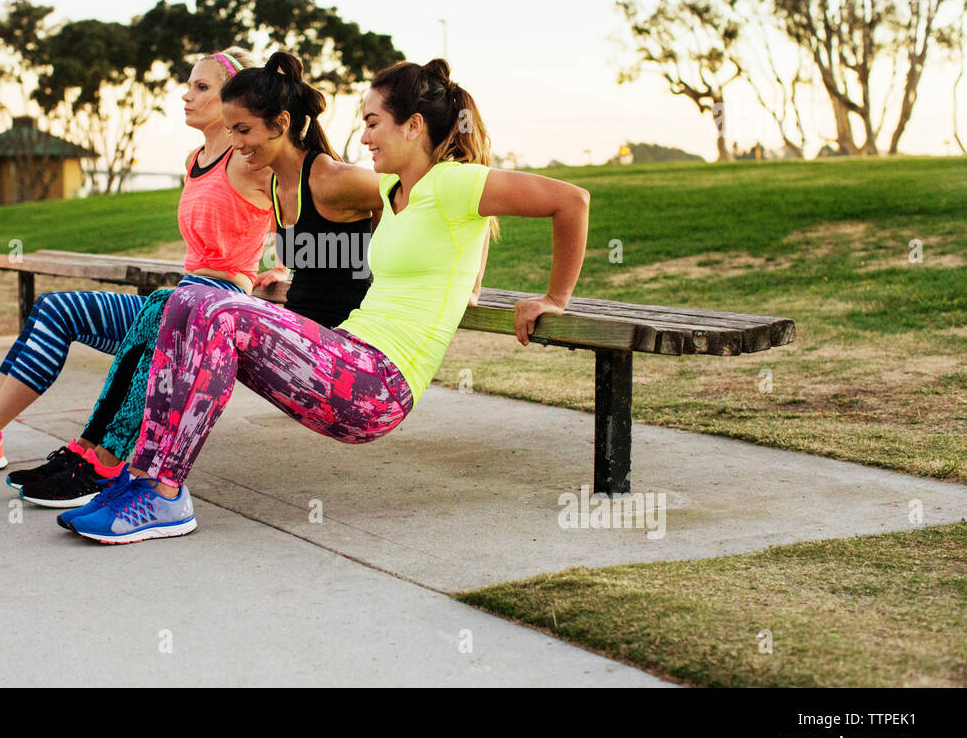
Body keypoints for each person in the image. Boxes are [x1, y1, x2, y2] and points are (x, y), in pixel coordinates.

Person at [60, 58, 591, 544]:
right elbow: (444, 242)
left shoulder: (454, 183)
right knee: (184, 301)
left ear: (414, 126)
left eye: (373, 123)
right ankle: (143, 481)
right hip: (346, 354)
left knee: (213, 308)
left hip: (379, 384)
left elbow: (571, 200)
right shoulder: (391, 193)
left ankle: (162, 495)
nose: (363, 138)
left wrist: (554, 297)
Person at [17, 51, 390, 509]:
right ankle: (95, 452)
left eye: (244, 130)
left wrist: (384, 264)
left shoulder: (330, 178)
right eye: (233, 131)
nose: (237, 142)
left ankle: (112, 465)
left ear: (280, 123)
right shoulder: (277, 185)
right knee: (161, 304)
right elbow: (310, 244)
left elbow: (412, 195)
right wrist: (283, 268)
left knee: (169, 307)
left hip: (326, 346)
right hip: (289, 329)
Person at [0, 47, 275, 478]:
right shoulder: (194, 161)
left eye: (202, 87)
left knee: (68, 313)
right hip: (181, 296)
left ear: (233, 99)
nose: (186, 95)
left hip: (216, 305)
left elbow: (298, 206)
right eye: (189, 84)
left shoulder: (250, 161)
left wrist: (283, 265)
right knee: (52, 310)